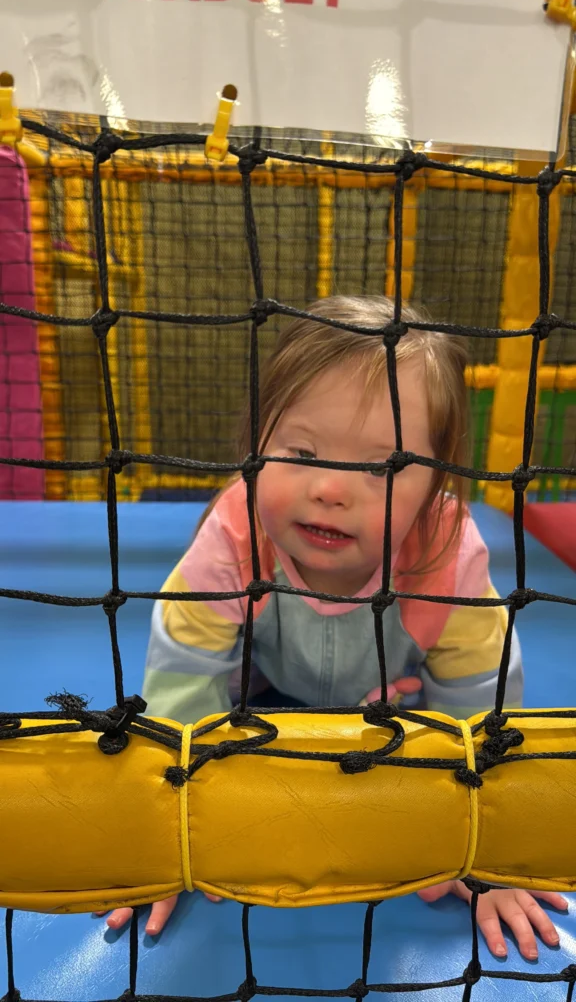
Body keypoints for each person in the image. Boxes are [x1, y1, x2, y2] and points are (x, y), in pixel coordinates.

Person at [97, 296, 567, 955]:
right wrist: (167, 833)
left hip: (390, 694)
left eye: (382, 467)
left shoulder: (445, 558)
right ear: (256, 444)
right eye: (302, 450)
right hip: (262, 683)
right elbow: (179, 681)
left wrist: (482, 843)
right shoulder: (234, 535)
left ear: (434, 487)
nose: (329, 489)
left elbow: (482, 704)